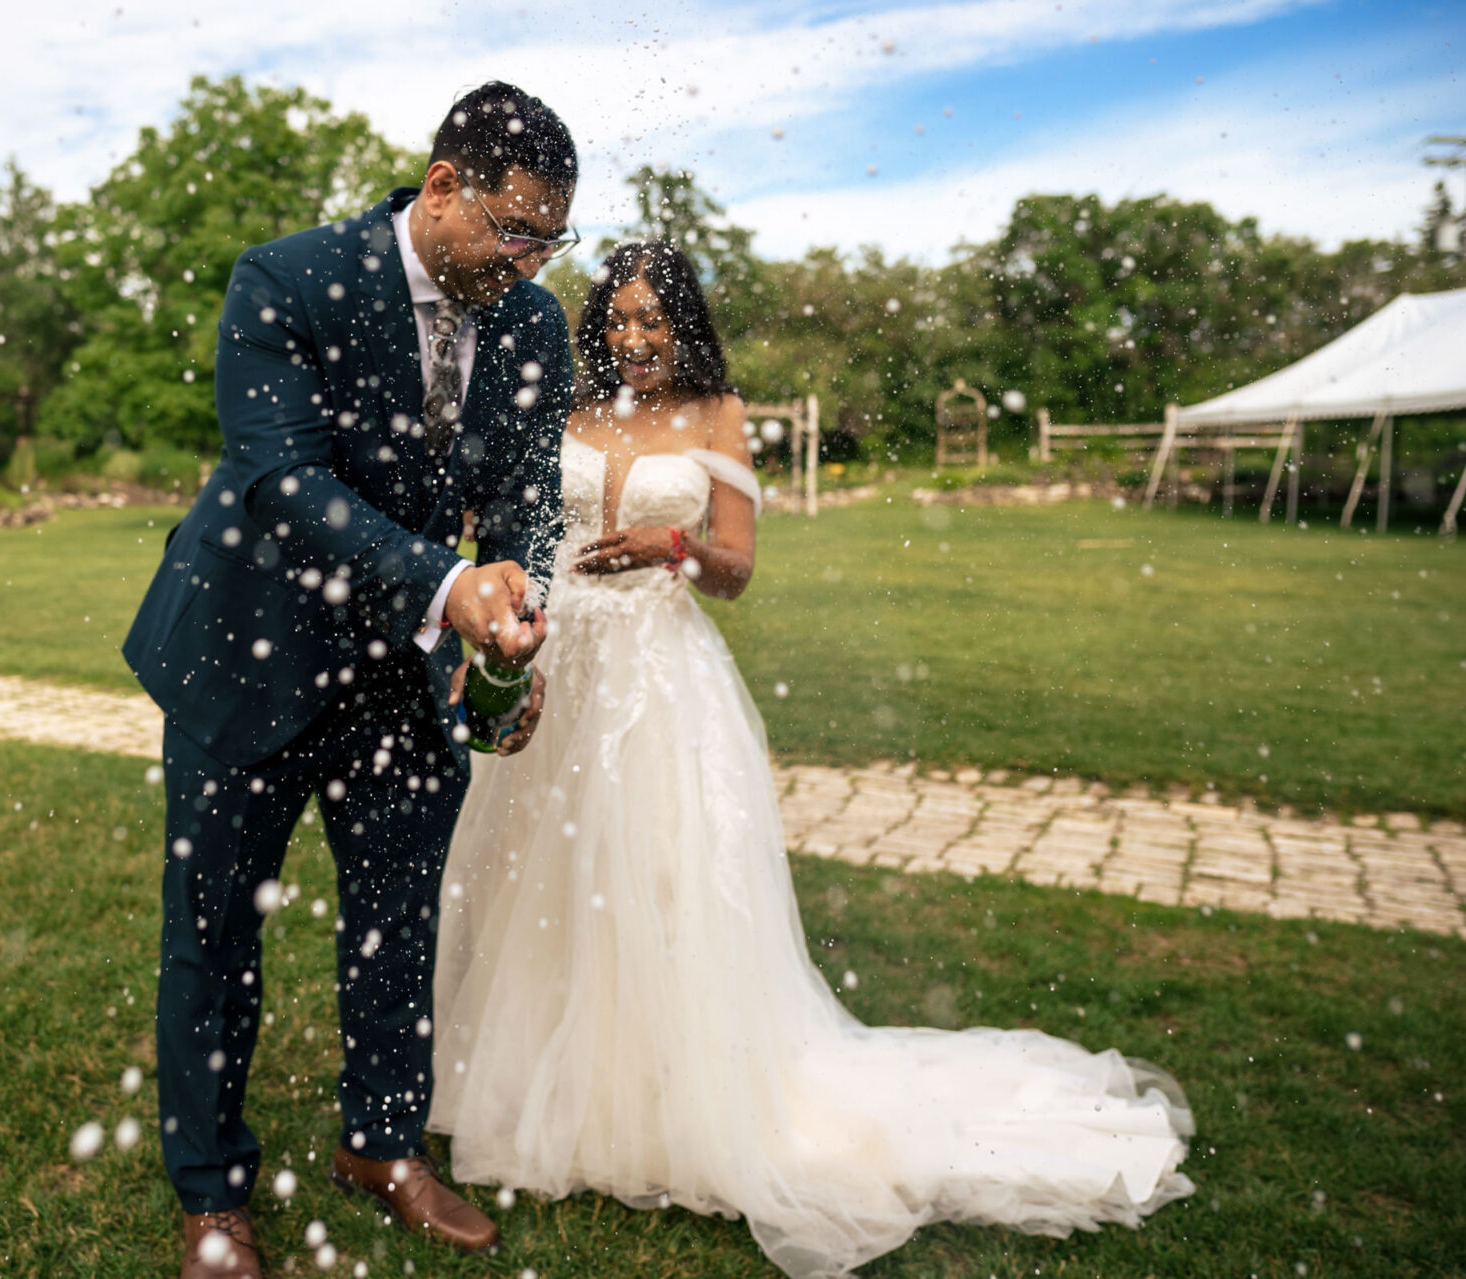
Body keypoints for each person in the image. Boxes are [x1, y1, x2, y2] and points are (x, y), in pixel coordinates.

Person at [429, 241, 1195, 1278]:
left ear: (683, 324)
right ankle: (526, 1088)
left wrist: (672, 549)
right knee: (539, 881)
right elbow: (508, 523)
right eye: (618, 318)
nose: (635, 337)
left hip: (659, 677)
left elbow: (737, 571)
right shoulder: (564, 403)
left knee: (655, 883)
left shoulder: (718, 415)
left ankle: (659, 1103)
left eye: (654, 320)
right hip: (557, 663)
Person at [121, 82, 581, 1279]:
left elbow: (531, 498)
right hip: (247, 654)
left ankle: (383, 1144)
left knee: (397, 921)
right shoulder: (283, 278)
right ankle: (213, 1197)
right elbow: (283, 481)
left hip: (407, 677)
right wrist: (447, 583)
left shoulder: (534, 327)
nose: (529, 263)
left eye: (552, 240)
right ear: (442, 188)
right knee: (213, 936)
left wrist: (518, 618)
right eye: (515, 230)